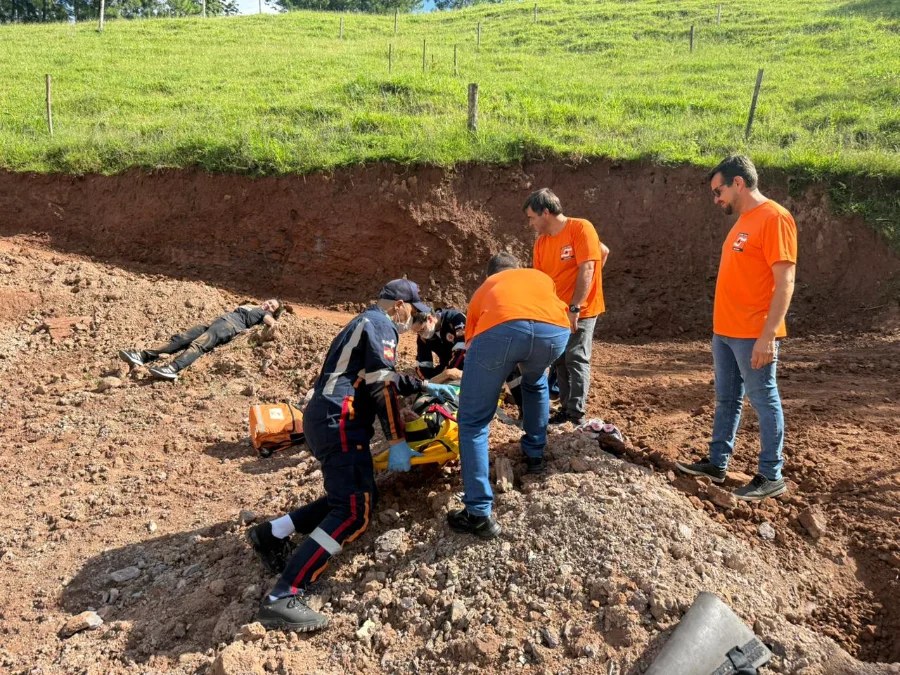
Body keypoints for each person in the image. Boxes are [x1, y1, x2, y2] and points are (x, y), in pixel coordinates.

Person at [246, 279, 458, 632]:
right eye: (412, 312)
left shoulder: (363, 323)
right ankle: (283, 596)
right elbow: (381, 387)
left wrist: (424, 385)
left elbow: (376, 376)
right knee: (354, 513)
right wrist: (397, 440)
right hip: (340, 420)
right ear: (400, 305)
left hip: (325, 417)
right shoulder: (382, 325)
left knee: (349, 497)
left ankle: (272, 533)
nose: (411, 322)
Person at [676, 155, 797, 501]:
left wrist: (768, 335)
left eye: (719, 191)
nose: (716, 199)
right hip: (726, 332)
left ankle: (771, 474)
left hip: (752, 333)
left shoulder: (774, 218)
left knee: (763, 399)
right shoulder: (745, 220)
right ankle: (717, 463)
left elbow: (785, 280)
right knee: (727, 399)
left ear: (738, 184)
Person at [448, 253, 571, 540]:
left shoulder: (486, 289)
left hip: (500, 331)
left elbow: (473, 345)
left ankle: (478, 514)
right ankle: (535, 456)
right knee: (536, 382)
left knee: (473, 421)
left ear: (490, 275)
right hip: (555, 332)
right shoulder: (540, 278)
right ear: (518, 269)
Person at [526, 189, 610, 425]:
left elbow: (588, 267)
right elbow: (540, 281)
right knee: (560, 359)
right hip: (556, 311)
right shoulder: (542, 243)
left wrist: (576, 306)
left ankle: (575, 413)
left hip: (581, 309)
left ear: (546, 212)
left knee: (576, 357)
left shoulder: (580, 228)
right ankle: (566, 409)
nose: (530, 223)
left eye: (532, 217)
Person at [118, 299, 284, 381]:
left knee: (198, 345)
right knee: (180, 339)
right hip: (216, 323)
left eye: (272, 307)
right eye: (269, 302)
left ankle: (172, 369)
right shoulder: (251, 306)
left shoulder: (264, 314)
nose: (268, 306)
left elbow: (271, 322)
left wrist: (274, 324)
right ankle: (143, 356)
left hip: (228, 327)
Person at [414, 308, 524, 411]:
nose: (421, 334)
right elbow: (423, 365)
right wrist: (429, 382)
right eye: (417, 332)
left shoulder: (455, 319)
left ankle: (523, 407)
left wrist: (446, 375)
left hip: (475, 358)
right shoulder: (423, 337)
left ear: (430, 319)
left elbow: (462, 352)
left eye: (422, 330)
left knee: (509, 366)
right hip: (449, 365)